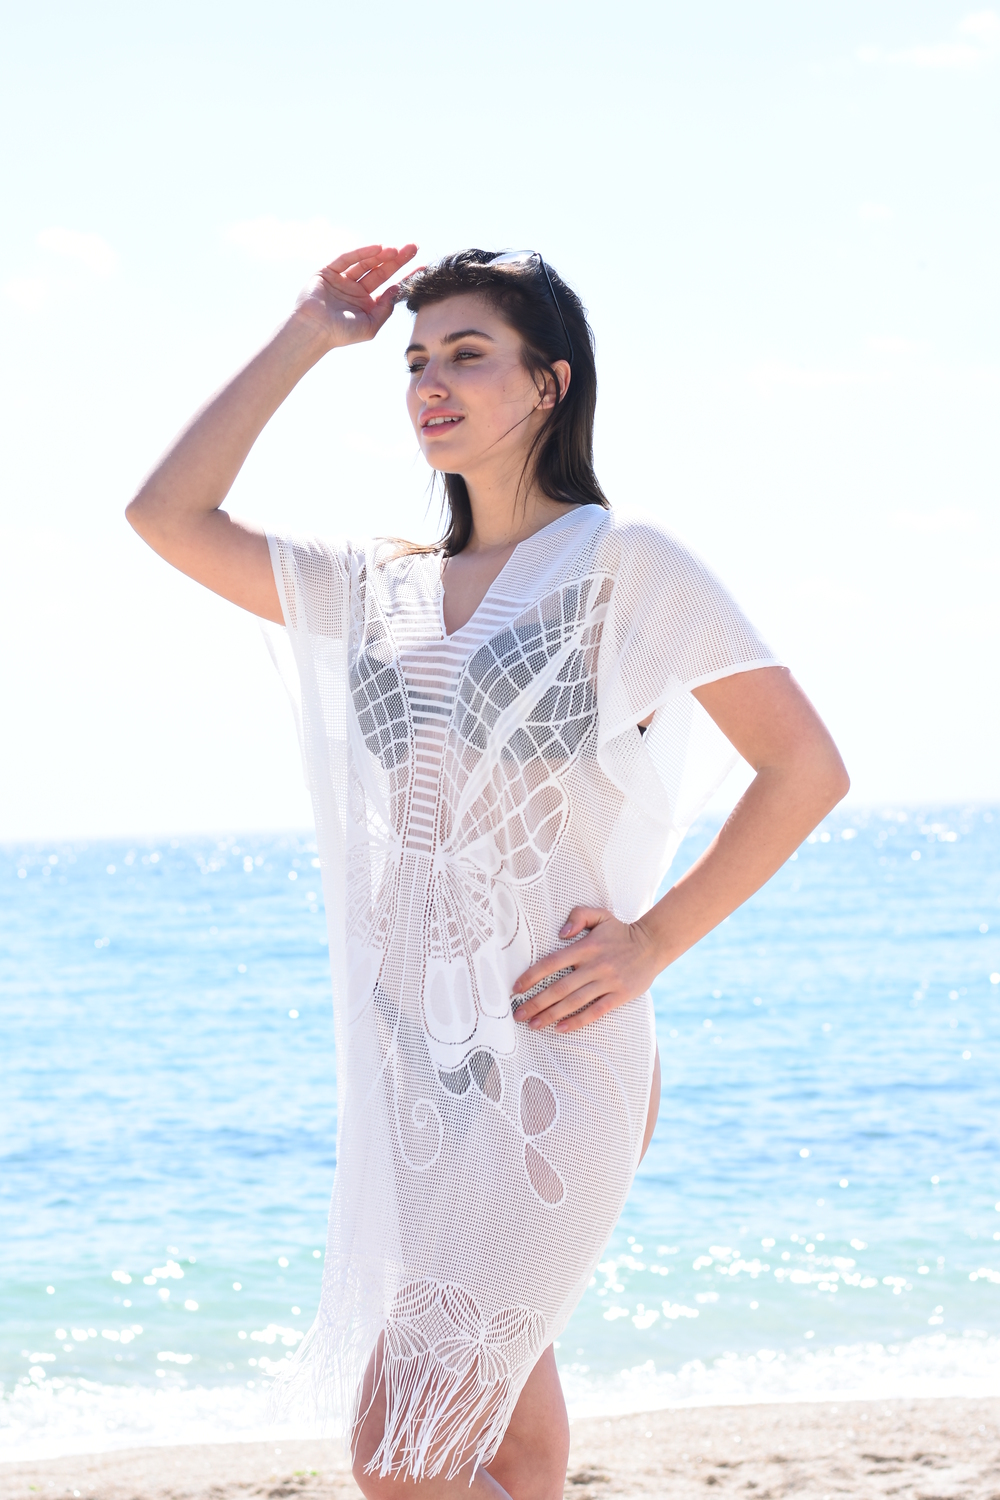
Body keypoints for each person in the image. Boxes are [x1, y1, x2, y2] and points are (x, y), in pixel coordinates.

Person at [126, 244, 848, 1499]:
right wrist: (310, 331)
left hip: (556, 1057)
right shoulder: (382, 588)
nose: (431, 383)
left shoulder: (626, 566)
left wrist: (652, 942)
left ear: (549, 384)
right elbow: (166, 518)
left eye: (468, 355)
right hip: (413, 1071)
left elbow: (804, 769)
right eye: (416, 361)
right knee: (503, 1445)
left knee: (398, 1459)